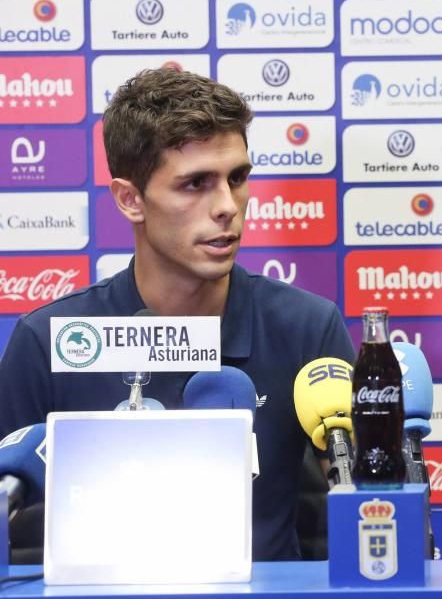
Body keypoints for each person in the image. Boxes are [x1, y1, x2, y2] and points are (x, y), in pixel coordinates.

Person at [0, 68, 355, 561]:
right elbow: (12, 538)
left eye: (237, 178)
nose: (227, 206)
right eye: (195, 185)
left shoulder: (307, 329)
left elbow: (367, 513)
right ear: (130, 199)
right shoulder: (50, 342)